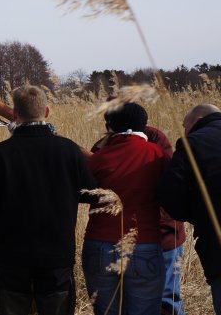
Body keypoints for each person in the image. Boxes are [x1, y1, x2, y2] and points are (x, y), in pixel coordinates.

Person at [0, 85, 96, 315]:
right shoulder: (69, 151)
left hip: (12, 262)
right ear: (47, 112)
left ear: (15, 114)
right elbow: (94, 194)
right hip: (57, 260)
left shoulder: (1, 153)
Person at [92, 113, 187, 315]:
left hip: (162, 235)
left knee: (167, 300)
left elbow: (171, 182)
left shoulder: (153, 140)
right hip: (145, 239)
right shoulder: (109, 144)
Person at [82, 102, 168, 315]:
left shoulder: (99, 157)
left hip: (99, 244)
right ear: (144, 125)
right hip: (144, 243)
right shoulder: (157, 154)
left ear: (111, 126)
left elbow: (83, 192)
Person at [158, 104, 221, 314]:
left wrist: (198, 216)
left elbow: (170, 194)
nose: (184, 130)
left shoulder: (193, 143)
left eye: (185, 125)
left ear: (198, 118)